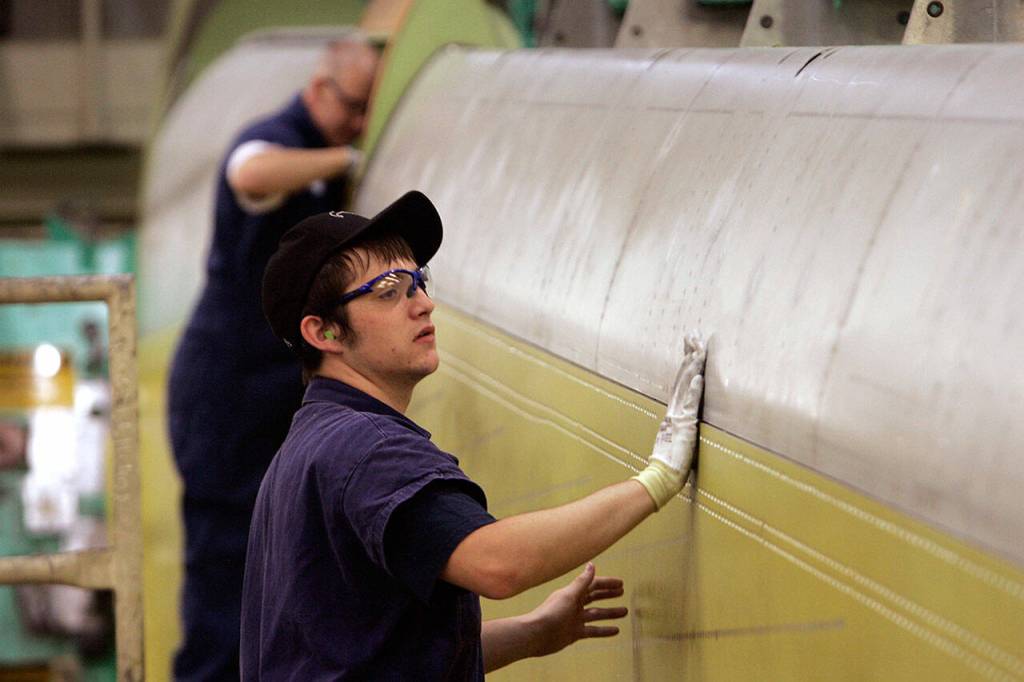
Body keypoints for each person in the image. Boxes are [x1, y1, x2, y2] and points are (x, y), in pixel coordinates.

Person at [242, 191, 706, 679]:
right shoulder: (369, 449)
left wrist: (533, 633)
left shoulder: (309, 450)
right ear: (325, 333)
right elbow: (498, 564)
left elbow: (369, 653)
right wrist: (658, 479)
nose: (423, 303)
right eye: (389, 290)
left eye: (419, 282)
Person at [167, 36, 380, 682]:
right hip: (227, 409)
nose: (359, 123)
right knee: (222, 598)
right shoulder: (277, 138)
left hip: (261, 409)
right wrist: (346, 156)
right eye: (353, 107)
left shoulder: (311, 153)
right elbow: (249, 173)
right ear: (319, 90)